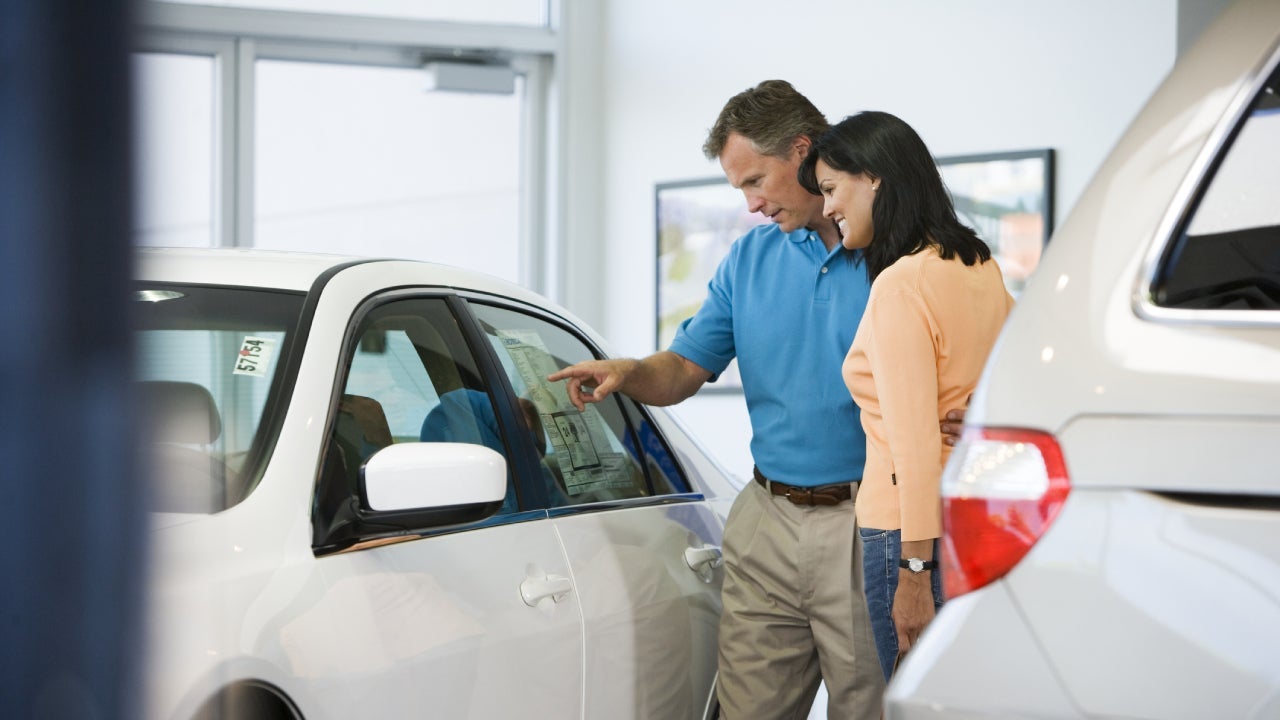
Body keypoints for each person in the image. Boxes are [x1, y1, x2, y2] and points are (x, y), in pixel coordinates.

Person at [547, 80, 885, 719]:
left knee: (870, 707)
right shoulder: (749, 260)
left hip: (865, 520)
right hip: (767, 519)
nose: (753, 205)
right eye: (740, 190)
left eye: (756, 181)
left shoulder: (895, 259)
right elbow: (681, 370)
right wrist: (629, 370)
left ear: (804, 152)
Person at [798, 111, 1014, 680]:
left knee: (915, 696)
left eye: (831, 189)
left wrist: (913, 572)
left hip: (910, 533)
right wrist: (988, 417)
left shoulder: (901, 284)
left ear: (873, 177)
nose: (827, 209)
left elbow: (914, 446)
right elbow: (1021, 371)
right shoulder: (978, 265)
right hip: (979, 517)